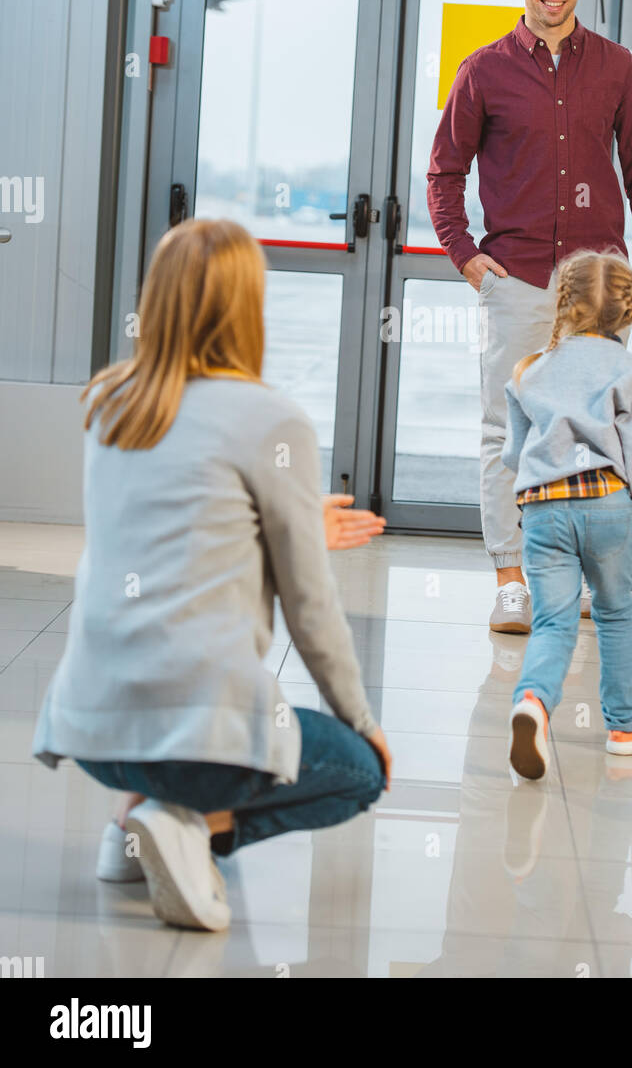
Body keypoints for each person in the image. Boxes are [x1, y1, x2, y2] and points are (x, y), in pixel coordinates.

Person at [31, 218, 391, 933]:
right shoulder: (270, 419)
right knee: (358, 773)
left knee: (179, 740)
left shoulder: (111, 405)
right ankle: (190, 825)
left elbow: (169, 543)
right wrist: (363, 722)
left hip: (93, 730)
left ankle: (131, 825)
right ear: (247, 306)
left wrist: (288, 526)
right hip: (191, 733)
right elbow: (310, 609)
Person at [427, 0, 632, 634]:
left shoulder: (617, 69)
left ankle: (592, 578)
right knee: (506, 427)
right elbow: (445, 170)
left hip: (598, 287)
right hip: (519, 279)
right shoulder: (483, 71)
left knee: (602, 431)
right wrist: (464, 254)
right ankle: (511, 582)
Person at [501, 249, 632, 777]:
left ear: (562, 303)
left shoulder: (530, 370)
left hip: (543, 508)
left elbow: (513, 454)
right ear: (627, 312)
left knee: (553, 621)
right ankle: (624, 725)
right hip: (607, 506)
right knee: (615, 611)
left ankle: (532, 700)